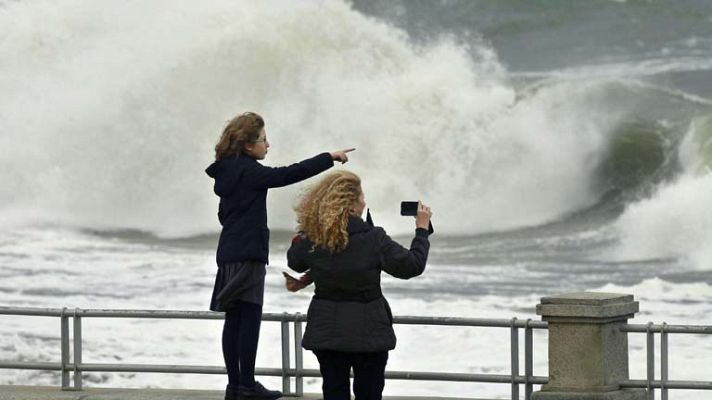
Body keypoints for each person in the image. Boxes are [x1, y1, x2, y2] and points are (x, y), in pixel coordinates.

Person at [205, 111, 354, 400]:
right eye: (263, 140)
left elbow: (224, 215)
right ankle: (246, 385)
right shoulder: (249, 171)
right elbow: (287, 174)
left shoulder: (228, 171)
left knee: (233, 319)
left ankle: (235, 385)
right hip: (248, 254)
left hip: (229, 252)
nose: (268, 145)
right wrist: (329, 157)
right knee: (248, 319)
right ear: (248, 146)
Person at [285, 170, 432, 400]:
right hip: (369, 332)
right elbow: (412, 265)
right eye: (361, 196)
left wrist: (307, 226)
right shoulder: (373, 238)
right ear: (351, 204)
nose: (364, 201)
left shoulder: (314, 236)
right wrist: (422, 231)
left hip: (326, 331)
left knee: (334, 392)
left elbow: (295, 260)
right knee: (369, 393)